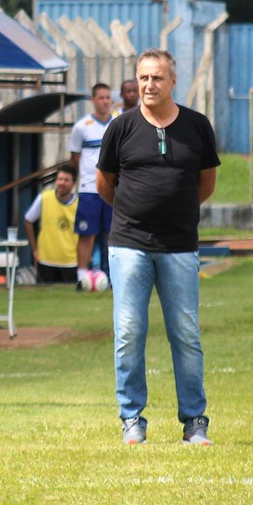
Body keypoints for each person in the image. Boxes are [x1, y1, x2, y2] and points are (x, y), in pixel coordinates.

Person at [96, 48, 220, 446]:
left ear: (172, 82)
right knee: (129, 331)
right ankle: (132, 418)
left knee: (185, 333)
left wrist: (175, 213)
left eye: (157, 78)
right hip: (129, 244)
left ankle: (194, 421)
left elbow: (206, 184)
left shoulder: (198, 127)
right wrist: (137, 214)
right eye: (143, 78)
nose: (149, 85)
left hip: (180, 247)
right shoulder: (121, 128)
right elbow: (105, 184)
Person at [70, 83, 115, 288]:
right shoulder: (82, 126)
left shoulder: (119, 123)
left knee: (112, 233)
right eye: (101, 98)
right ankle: (81, 276)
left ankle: (112, 274)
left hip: (114, 189)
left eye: (108, 98)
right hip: (89, 188)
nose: (105, 101)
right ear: (93, 100)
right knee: (87, 233)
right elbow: (75, 158)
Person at [23, 163, 79, 284]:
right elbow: (28, 220)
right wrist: (35, 250)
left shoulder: (79, 204)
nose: (62, 183)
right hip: (46, 261)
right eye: (59, 179)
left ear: (73, 184)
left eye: (66, 180)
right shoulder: (44, 198)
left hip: (71, 262)